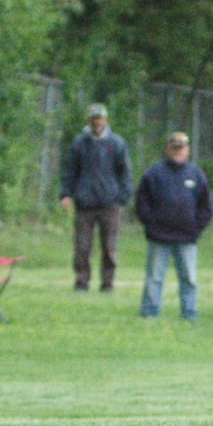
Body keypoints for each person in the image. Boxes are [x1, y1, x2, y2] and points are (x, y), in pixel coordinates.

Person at [133, 132, 213, 321]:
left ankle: (189, 312)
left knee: (189, 279)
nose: (178, 151)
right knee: (154, 277)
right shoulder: (153, 174)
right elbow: (141, 203)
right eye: (174, 147)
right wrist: (151, 223)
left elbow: (206, 206)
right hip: (159, 236)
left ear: (188, 150)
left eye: (182, 148)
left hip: (187, 238)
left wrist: (196, 227)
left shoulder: (196, 175)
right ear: (168, 149)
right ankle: (150, 311)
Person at [59, 103, 132, 292]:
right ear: (89, 121)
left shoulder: (117, 143)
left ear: (105, 120)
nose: (96, 122)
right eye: (93, 118)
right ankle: (81, 282)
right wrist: (66, 194)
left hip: (110, 203)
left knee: (109, 247)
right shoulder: (79, 143)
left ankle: (107, 283)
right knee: (82, 247)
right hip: (85, 203)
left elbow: (125, 173)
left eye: (99, 118)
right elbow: (70, 171)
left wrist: (123, 197)